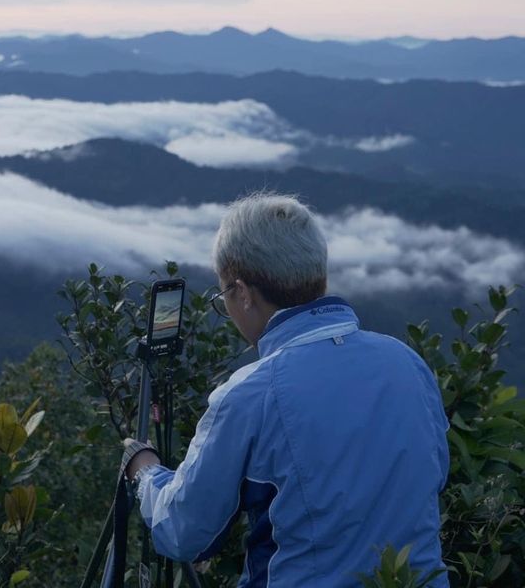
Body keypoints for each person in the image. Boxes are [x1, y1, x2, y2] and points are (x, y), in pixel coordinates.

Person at [124, 193, 450, 587]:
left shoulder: (251, 394)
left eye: (223, 294)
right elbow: (432, 475)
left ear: (243, 293)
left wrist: (144, 471)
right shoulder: (407, 363)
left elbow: (185, 531)